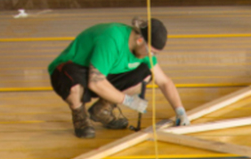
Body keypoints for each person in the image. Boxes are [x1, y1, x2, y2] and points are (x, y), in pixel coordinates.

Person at [48, 18, 189, 139]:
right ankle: (80, 116)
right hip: (71, 70)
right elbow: (95, 83)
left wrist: (180, 111)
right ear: (140, 40)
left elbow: (164, 81)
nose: (151, 56)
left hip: (102, 71)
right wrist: (127, 100)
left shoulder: (144, 51)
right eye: (151, 51)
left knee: (145, 73)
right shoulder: (112, 39)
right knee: (72, 84)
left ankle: (101, 110)